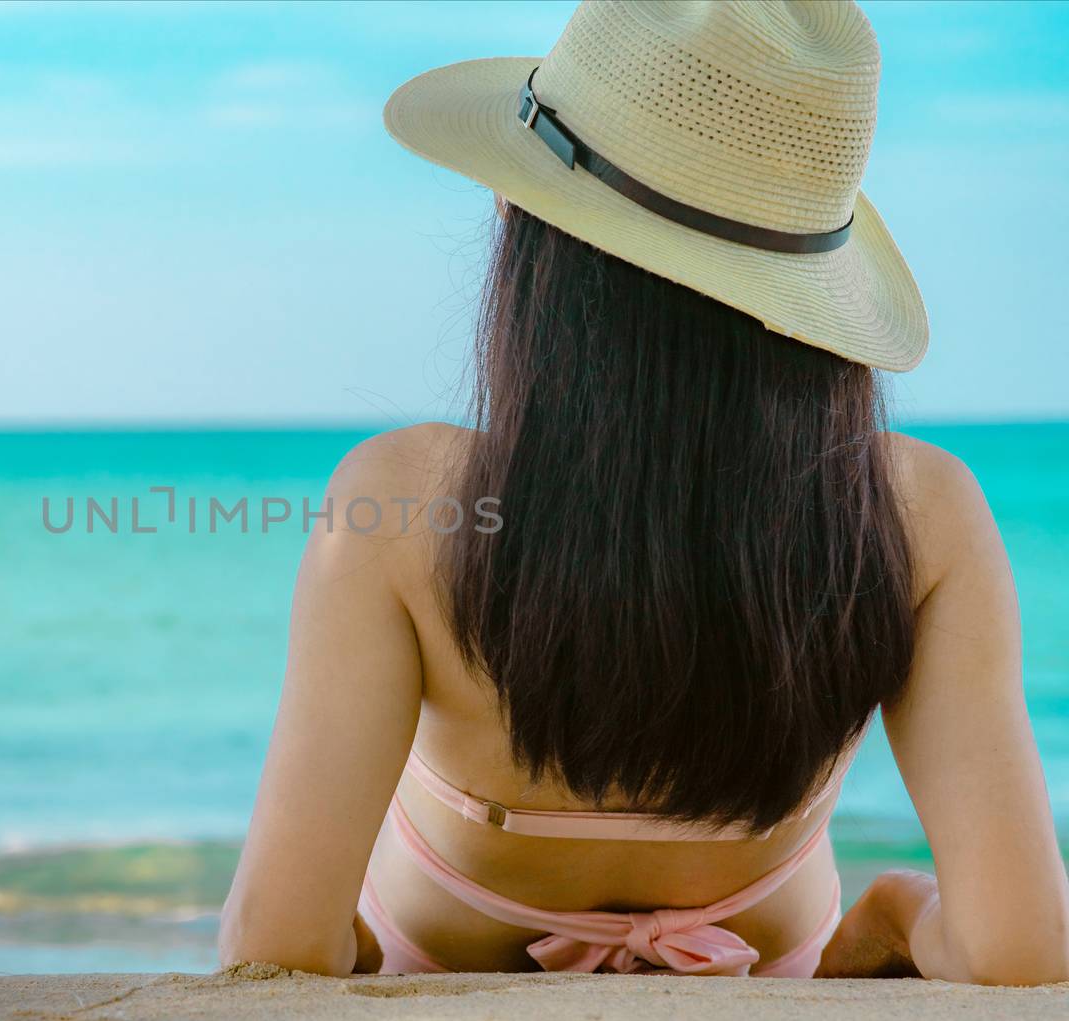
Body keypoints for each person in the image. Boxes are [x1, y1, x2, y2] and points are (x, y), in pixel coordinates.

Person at [219, 0, 1069, 983]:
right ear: (812, 294)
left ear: (521, 218)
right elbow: (1024, 951)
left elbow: (274, 948)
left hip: (439, 949)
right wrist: (901, 904)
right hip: (770, 959)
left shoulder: (407, 500)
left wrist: (370, 956)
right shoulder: (918, 514)